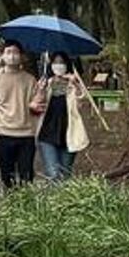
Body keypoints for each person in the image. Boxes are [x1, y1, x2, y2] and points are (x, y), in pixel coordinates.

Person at [0, 40, 38, 187]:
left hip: (26, 134)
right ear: (2, 56)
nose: (12, 56)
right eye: (8, 52)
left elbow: (37, 106)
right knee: (7, 175)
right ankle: (10, 204)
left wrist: (41, 94)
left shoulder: (30, 80)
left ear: (21, 56)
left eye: (15, 52)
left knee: (26, 176)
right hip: (3, 132)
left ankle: (25, 206)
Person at [31, 52, 90, 181]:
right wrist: (41, 90)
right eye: (55, 62)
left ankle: (59, 201)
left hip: (69, 135)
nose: (59, 65)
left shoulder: (72, 85)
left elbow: (82, 102)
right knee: (53, 174)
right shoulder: (46, 83)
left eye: (62, 62)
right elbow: (36, 106)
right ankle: (53, 200)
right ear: (51, 65)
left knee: (64, 175)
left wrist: (75, 83)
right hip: (47, 135)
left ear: (67, 65)